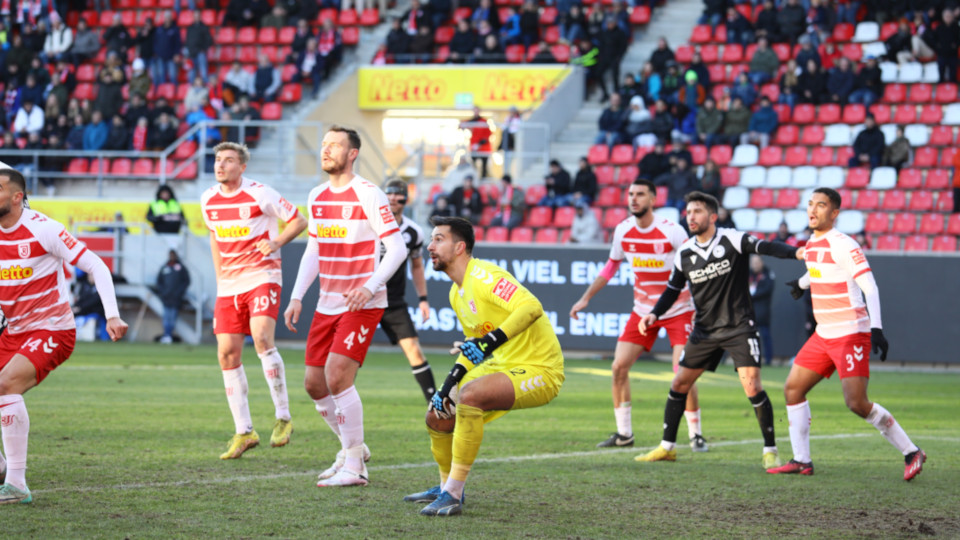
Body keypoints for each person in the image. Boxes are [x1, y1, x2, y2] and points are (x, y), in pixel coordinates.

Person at [404, 216, 564, 516]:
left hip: (541, 369)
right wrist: (448, 383)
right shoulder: (456, 293)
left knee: (471, 395)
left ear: (460, 247)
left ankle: (453, 492)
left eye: (439, 239)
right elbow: (474, 347)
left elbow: (531, 307)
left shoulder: (485, 276)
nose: (430, 246)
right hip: (503, 366)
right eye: (431, 239)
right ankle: (445, 488)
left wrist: (488, 342)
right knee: (437, 415)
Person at [635, 191, 805, 468]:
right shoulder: (685, 253)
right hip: (704, 331)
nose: (691, 217)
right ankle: (667, 446)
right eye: (688, 212)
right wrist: (654, 313)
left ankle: (770, 449)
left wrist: (795, 252)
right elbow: (672, 290)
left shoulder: (732, 239)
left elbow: (765, 247)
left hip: (739, 327)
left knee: (752, 386)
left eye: (698, 211)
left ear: (712, 217)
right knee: (679, 383)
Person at [768, 187, 926, 481]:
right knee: (792, 389)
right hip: (823, 335)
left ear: (835, 213)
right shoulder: (811, 244)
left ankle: (911, 451)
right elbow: (816, 272)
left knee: (856, 403)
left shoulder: (845, 244)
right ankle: (802, 460)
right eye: (811, 204)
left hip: (850, 334)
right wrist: (800, 284)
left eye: (822, 205)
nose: (813, 210)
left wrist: (876, 329)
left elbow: (870, 287)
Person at [283, 126, 406, 487]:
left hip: (362, 303)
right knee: (313, 384)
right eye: (324, 145)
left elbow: (396, 248)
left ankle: (355, 466)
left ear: (353, 153)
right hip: (327, 302)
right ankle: (351, 447)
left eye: (334, 145)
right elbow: (314, 250)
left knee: (337, 377)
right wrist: (296, 295)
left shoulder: (369, 194)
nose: (326, 150)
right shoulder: (317, 195)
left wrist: (369, 287)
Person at [0, 167, 128, 504]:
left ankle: (16, 484)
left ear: (16, 197)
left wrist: (111, 314)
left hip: (52, 329)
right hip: (13, 331)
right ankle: (2, 467)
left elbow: (96, 266)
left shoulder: (44, 229)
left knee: (6, 384)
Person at [571, 179, 708, 451]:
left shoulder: (672, 231)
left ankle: (696, 434)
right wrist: (585, 298)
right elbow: (611, 267)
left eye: (640, 194)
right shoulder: (623, 231)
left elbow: (694, 270)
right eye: (631, 194)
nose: (634, 199)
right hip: (642, 311)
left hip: (679, 309)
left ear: (653, 200)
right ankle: (625, 434)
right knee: (618, 367)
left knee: (682, 371)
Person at [201, 142, 308, 460]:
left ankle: (284, 418)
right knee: (226, 354)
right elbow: (214, 238)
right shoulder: (208, 199)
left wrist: (275, 242)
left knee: (261, 337)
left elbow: (299, 221)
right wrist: (220, 281)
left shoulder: (261, 193)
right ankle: (244, 431)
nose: (221, 165)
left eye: (229, 160)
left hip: (262, 277)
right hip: (229, 286)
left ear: (242, 167)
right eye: (218, 160)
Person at [379, 180, 436, 403]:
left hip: (393, 301)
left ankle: (436, 406)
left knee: (414, 349)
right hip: (365, 298)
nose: (393, 198)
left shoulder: (414, 232)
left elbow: (417, 266)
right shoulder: (369, 226)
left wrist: (423, 299)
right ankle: (341, 409)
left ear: (406, 199)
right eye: (389, 194)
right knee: (352, 358)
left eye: (398, 195)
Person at [156, 249, 190, 344]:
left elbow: (186, 281)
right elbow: (159, 281)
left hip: (176, 299)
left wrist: (179, 292)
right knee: (166, 318)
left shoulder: (181, 268)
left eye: (173, 255)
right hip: (166, 298)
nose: (172, 257)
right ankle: (166, 335)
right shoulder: (164, 267)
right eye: (170, 255)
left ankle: (169, 335)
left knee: (172, 318)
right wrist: (163, 292)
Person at [749, 255, 774, 366]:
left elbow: (767, 289)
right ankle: (753, 359)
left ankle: (769, 359)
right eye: (753, 262)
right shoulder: (748, 274)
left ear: (762, 262)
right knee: (751, 337)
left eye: (757, 262)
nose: (755, 265)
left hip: (763, 312)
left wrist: (753, 294)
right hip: (749, 312)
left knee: (765, 335)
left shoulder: (768, 274)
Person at [460, 107, 492, 179]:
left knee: (484, 165)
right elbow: (462, 124)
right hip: (475, 148)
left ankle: (483, 178)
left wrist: (479, 144)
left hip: (484, 148)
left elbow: (487, 135)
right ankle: (474, 178)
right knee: (474, 165)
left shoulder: (483, 122)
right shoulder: (472, 121)